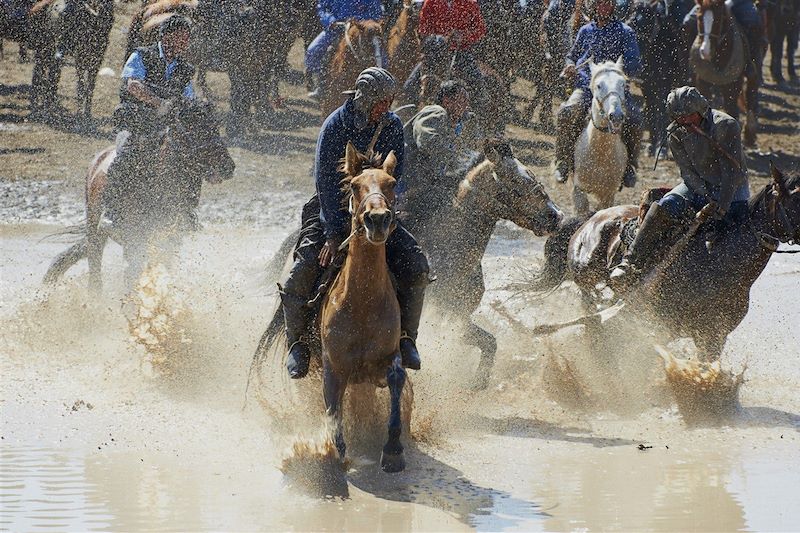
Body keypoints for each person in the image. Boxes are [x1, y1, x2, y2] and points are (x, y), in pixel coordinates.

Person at [281, 67, 430, 379]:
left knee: (416, 264)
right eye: (382, 101)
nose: (387, 108)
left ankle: (406, 339)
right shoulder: (334, 125)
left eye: (390, 101)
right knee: (300, 271)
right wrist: (334, 234)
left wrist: (381, 209)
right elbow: (324, 180)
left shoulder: (391, 126)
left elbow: (394, 177)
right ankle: (297, 344)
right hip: (332, 210)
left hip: (376, 211)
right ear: (366, 99)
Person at [609, 86, 750, 284]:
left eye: (688, 116)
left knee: (739, 228)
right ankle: (629, 262)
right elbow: (687, 172)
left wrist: (721, 207)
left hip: (733, 187)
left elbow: (731, 173)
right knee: (665, 205)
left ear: (700, 110)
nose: (683, 121)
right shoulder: (675, 132)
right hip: (697, 185)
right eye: (678, 117)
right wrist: (705, 196)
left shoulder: (726, 126)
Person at [104, 15, 196, 225]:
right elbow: (133, 86)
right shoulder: (141, 55)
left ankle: (187, 211)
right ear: (167, 37)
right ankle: (110, 211)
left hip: (165, 127)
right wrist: (159, 103)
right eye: (183, 37)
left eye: (187, 38)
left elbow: (190, 98)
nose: (186, 42)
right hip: (135, 123)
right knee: (125, 154)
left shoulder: (185, 68)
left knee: (190, 157)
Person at [553, 0, 642, 187]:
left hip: (614, 92)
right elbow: (572, 54)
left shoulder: (625, 32)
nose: (604, 7)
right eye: (600, 3)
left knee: (634, 118)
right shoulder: (585, 31)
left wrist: (618, 69)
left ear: (613, 6)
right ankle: (562, 161)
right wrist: (569, 64)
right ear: (593, 6)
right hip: (586, 87)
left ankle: (629, 166)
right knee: (567, 112)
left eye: (608, 3)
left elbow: (635, 64)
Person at [401, 79, 474, 234]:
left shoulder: (456, 121)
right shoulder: (435, 112)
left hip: (427, 180)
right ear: (447, 101)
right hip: (410, 182)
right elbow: (428, 143)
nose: (466, 106)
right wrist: (461, 159)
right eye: (462, 101)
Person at [683, 0, 765, 113]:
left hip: (737, 2)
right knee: (687, 23)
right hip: (707, 2)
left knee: (753, 20)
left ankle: (750, 63)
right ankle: (689, 67)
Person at [417, 0, 488, 117]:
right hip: (435, 53)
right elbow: (423, 28)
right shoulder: (431, 2)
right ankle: (412, 116)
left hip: (460, 51)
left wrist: (464, 36)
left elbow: (480, 30)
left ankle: (476, 119)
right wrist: (437, 38)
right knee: (410, 85)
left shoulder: (469, 3)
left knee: (476, 82)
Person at [304, 0, 384, 99]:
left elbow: (376, 12)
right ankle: (322, 85)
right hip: (335, 30)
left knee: (381, 57)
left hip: (361, 33)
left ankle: (380, 87)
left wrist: (359, 21)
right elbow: (322, 8)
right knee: (313, 50)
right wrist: (330, 20)